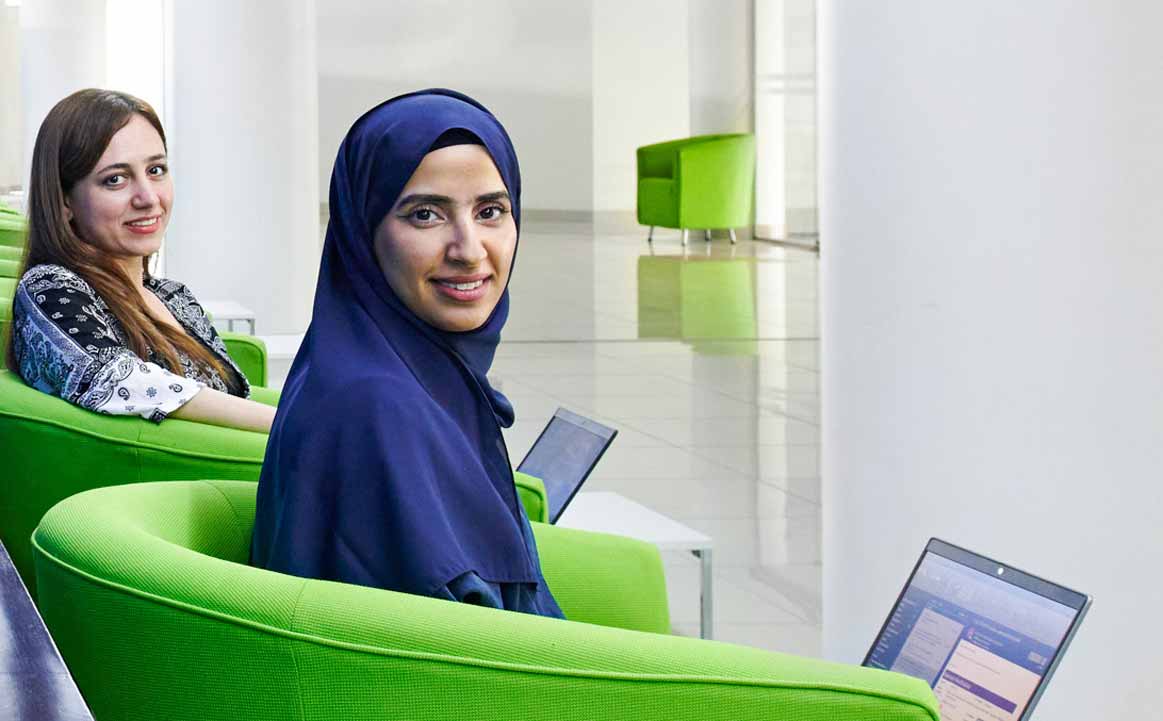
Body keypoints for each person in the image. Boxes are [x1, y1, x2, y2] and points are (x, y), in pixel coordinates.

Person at [250, 89, 563, 618]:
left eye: (490, 211)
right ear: (362, 230)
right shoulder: (377, 409)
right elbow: (448, 650)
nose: (469, 251)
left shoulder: (397, 369)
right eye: (425, 215)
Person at [5, 89, 275, 433]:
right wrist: (290, 427)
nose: (148, 198)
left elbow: (235, 398)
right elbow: (117, 380)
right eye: (115, 179)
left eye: (156, 170)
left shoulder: (174, 296)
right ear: (65, 201)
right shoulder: (51, 287)